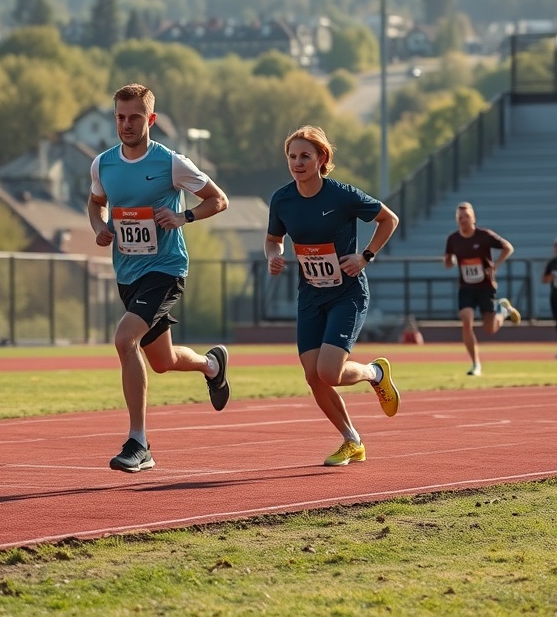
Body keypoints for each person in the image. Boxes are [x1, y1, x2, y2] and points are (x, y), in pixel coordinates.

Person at [88, 83, 230, 473]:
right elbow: (95, 201)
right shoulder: (103, 164)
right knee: (163, 361)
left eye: (135, 117)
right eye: (120, 117)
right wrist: (99, 227)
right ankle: (212, 366)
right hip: (128, 272)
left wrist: (184, 217)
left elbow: (218, 200)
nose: (127, 124)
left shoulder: (171, 163)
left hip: (166, 269)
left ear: (150, 119)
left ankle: (139, 442)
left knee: (123, 339)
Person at [264, 125, 401, 467]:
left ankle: (374, 373)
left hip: (347, 294)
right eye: (292, 157)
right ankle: (352, 441)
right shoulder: (282, 199)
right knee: (313, 376)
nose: (297, 162)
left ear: (321, 158)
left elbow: (389, 220)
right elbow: (272, 239)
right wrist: (273, 255)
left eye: (305, 156)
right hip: (310, 295)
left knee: (328, 372)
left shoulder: (341, 195)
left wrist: (365, 256)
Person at [443, 202, 521, 376]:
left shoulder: (484, 236)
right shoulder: (453, 239)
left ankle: (503, 310)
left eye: (466, 216)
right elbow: (447, 262)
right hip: (466, 287)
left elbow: (508, 247)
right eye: (459, 217)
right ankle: (475, 364)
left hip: (485, 287)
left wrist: (496, 264)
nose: (463, 220)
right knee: (466, 320)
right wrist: (449, 262)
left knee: (490, 328)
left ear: (473, 218)